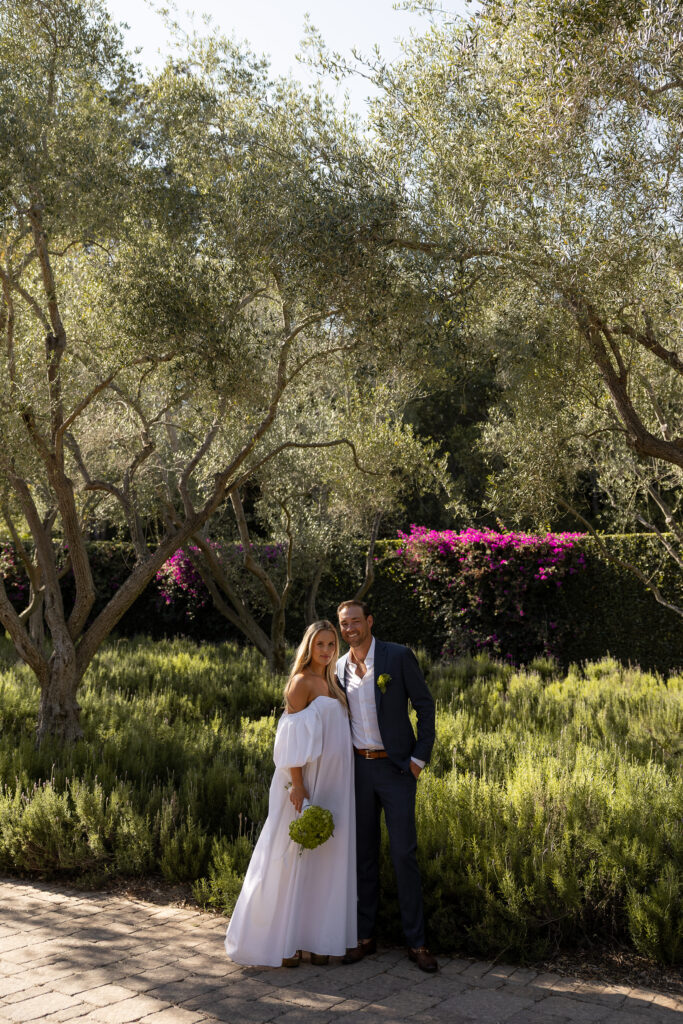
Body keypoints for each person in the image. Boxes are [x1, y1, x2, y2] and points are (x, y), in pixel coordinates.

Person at [225, 620, 356, 968]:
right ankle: (286, 940)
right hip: (308, 781)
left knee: (323, 859)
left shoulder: (333, 682)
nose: (326, 651)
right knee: (292, 854)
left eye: (331, 645)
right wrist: (298, 785)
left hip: (336, 783)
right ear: (308, 647)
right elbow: (289, 738)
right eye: (320, 645)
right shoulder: (301, 682)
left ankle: (314, 939)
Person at [336, 599, 438, 973]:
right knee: (362, 856)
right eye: (344, 623)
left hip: (397, 771)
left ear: (370, 621)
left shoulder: (397, 657)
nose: (350, 628)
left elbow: (425, 706)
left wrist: (417, 760)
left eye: (356, 621)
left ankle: (417, 942)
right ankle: (365, 937)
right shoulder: (337, 669)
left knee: (403, 855)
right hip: (358, 771)